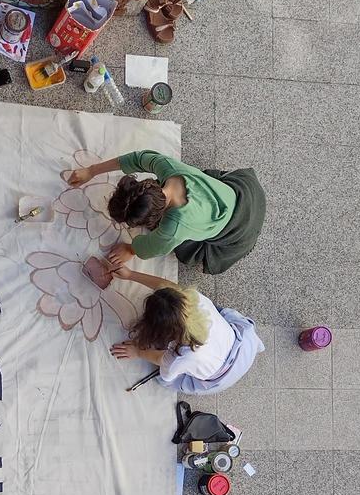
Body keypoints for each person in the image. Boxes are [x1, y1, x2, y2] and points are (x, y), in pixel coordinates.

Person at [65, 150, 265, 275]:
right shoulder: (166, 167)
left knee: (185, 250)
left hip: (240, 228)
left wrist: (131, 248)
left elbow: (152, 248)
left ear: (156, 220)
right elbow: (135, 158)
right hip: (246, 192)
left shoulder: (174, 225)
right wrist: (91, 171)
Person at [109, 268, 264, 394]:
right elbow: (168, 287)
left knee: (167, 380)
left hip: (222, 376)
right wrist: (130, 274)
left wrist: (139, 352)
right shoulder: (194, 298)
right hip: (246, 342)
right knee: (221, 312)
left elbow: (164, 367)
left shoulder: (181, 356)